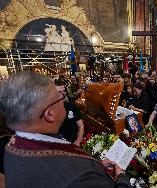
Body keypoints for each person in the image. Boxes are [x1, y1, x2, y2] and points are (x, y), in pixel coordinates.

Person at [0, 71, 130, 187]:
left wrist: (98, 164)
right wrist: (122, 178)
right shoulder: (78, 173)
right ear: (50, 114)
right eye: (59, 98)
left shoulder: (11, 146)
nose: (64, 99)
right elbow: (70, 174)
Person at [54, 79, 84, 146]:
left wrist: (78, 142)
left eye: (64, 91)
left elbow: (81, 125)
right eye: (59, 92)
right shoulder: (49, 111)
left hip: (73, 145)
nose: (63, 94)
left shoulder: (71, 107)